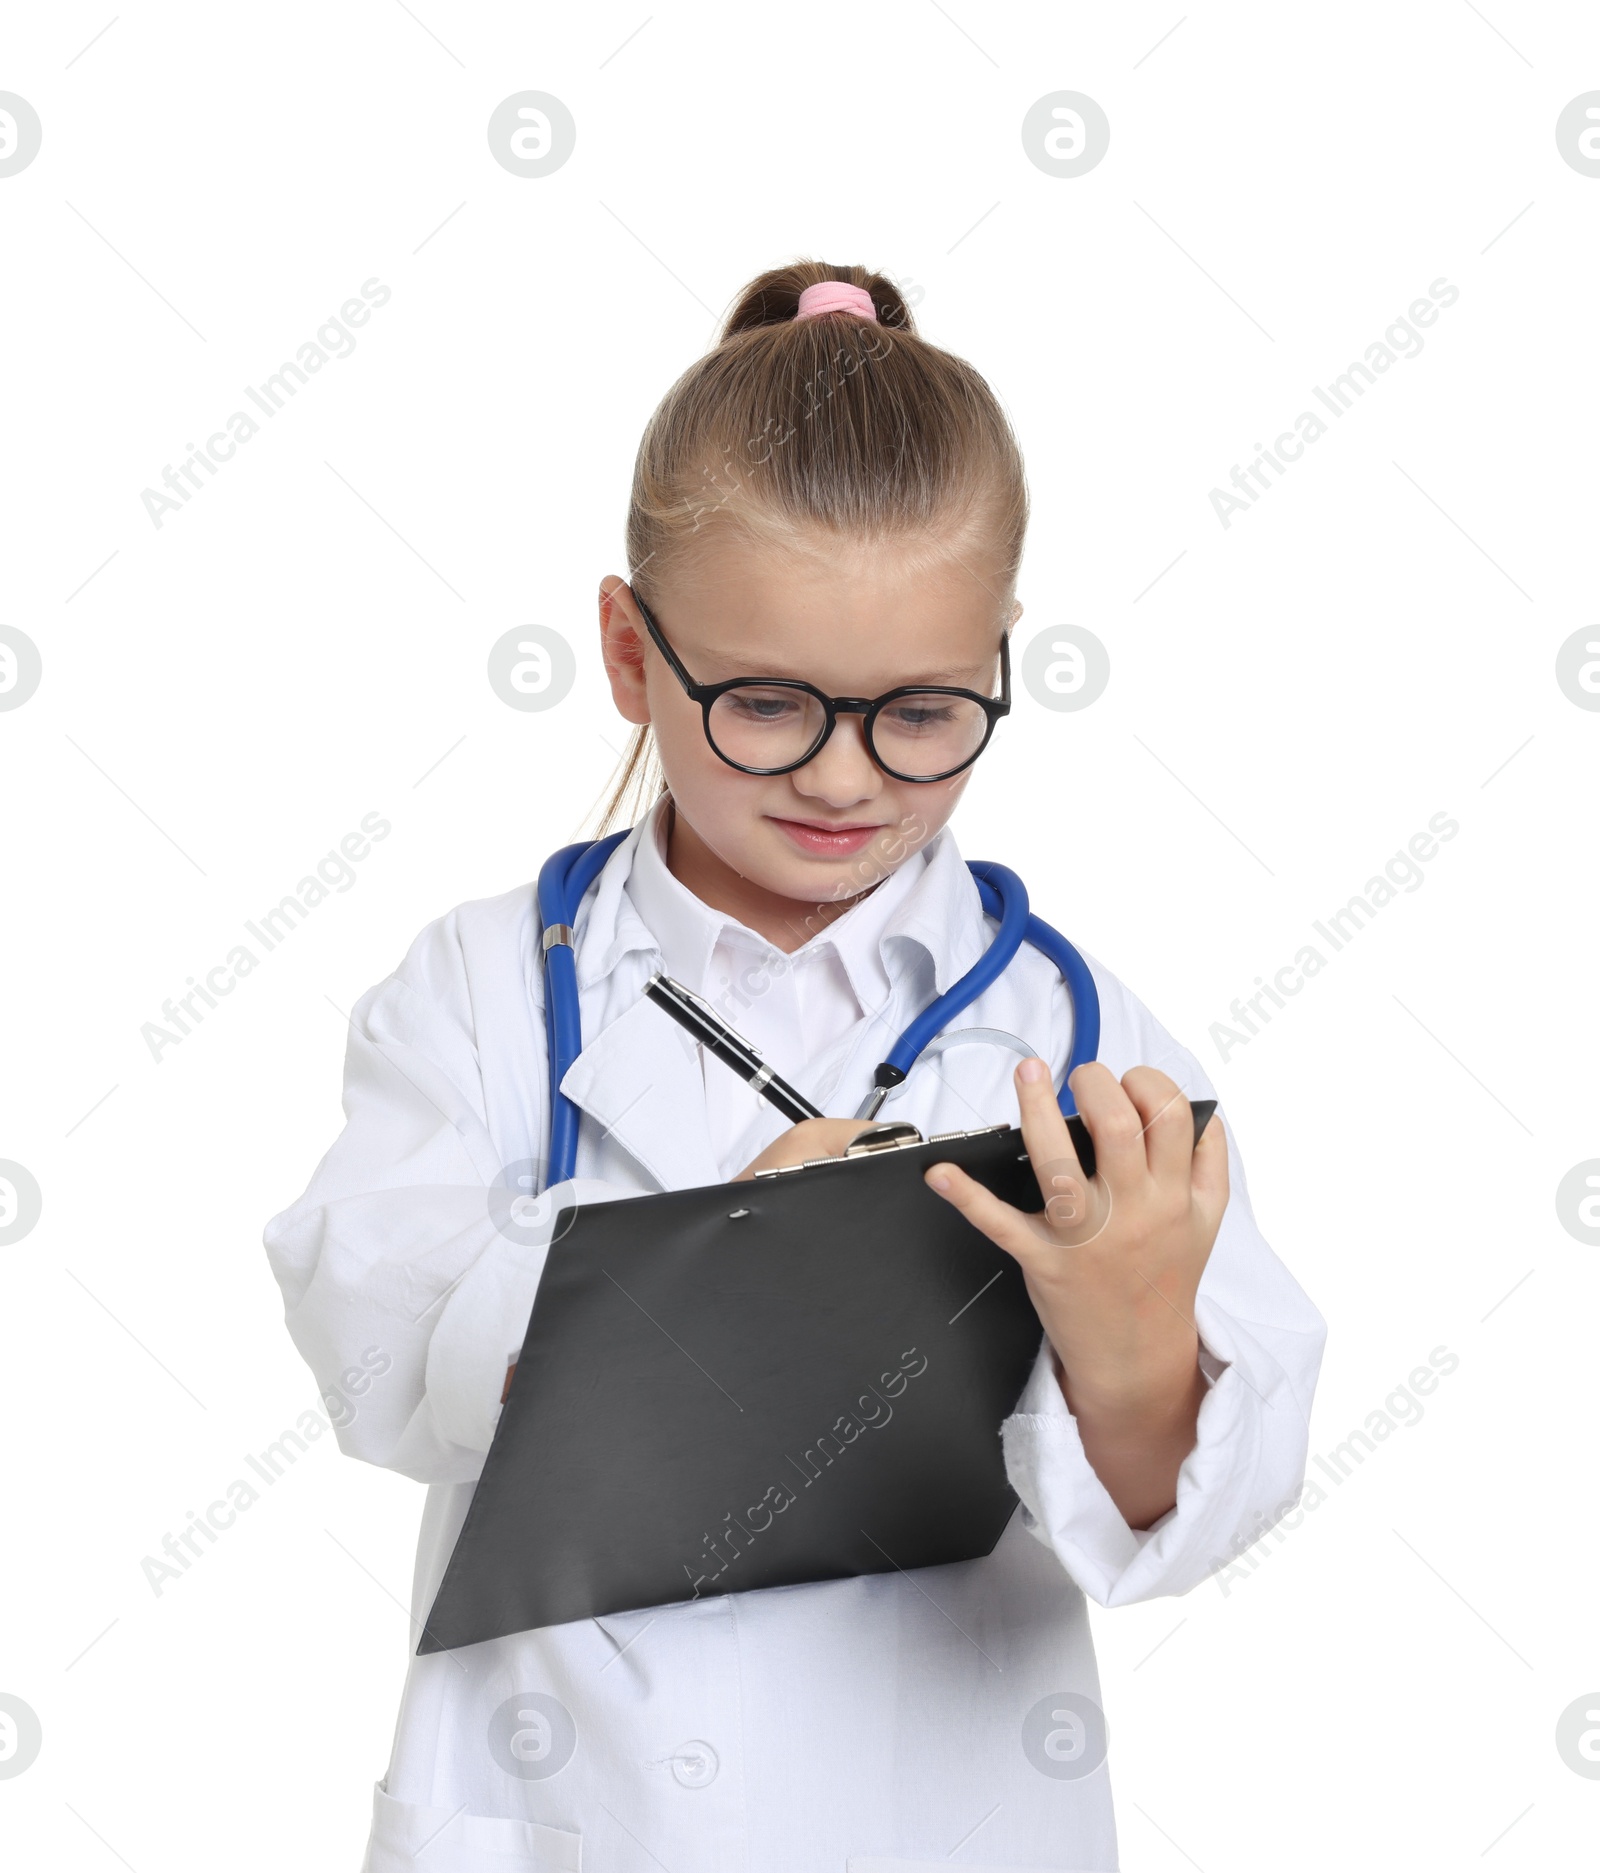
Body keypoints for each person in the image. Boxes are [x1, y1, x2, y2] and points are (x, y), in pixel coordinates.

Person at [263, 261, 1326, 1873]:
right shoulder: (483, 989)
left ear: (998, 654)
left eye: (921, 710)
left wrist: (1133, 1360)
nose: (844, 775)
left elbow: (1205, 1497)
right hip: (565, 1812)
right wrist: (700, 1266)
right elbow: (372, 1362)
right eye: (765, 702)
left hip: (942, 1813)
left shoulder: (1070, 1028)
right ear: (630, 651)